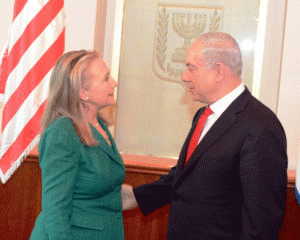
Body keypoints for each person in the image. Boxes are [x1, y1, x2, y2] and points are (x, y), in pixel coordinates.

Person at [122, 32, 287, 239]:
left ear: (218, 71)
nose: (184, 76)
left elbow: (262, 222)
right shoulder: (204, 114)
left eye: (191, 68)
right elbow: (189, 176)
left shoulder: (261, 125)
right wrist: (138, 196)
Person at [30, 50, 125, 240]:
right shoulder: (62, 133)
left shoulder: (99, 125)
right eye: (106, 78)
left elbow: (106, 190)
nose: (114, 82)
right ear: (83, 92)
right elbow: (55, 212)